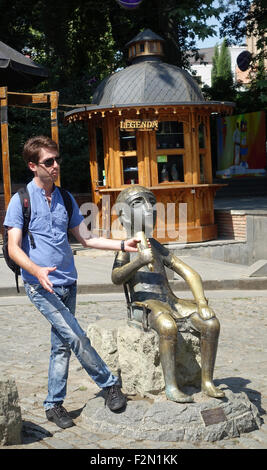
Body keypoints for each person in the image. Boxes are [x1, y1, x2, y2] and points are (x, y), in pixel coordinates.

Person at [4, 135, 140, 429]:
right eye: (48, 162)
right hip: (40, 286)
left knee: (62, 344)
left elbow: (87, 238)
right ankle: (108, 384)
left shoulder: (65, 198)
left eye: (57, 160)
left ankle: (53, 405)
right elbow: (14, 247)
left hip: (69, 282)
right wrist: (37, 270)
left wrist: (122, 245)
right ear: (32, 165)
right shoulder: (21, 200)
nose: (55, 166)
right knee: (77, 337)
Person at [112, 185, 225, 403]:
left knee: (210, 323)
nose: (149, 209)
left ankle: (207, 381)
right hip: (143, 306)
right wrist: (139, 261)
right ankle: (171, 386)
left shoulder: (155, 246)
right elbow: (117, 277)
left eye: (151, 203)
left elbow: (189, 272)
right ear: (124, 214)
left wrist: (201, 302)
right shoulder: (126, 246)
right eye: (139, 203)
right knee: (167, 326)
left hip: (169, 300)